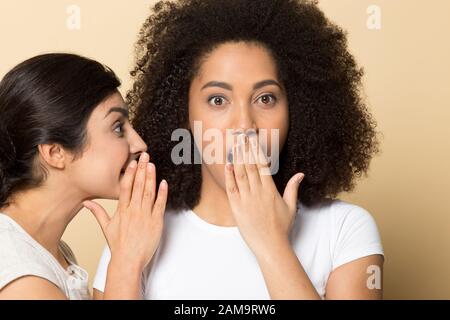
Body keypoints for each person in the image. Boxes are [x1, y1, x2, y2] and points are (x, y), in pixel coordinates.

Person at [94, 0, 384, 299]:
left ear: (297, 109)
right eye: (218, 100)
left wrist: (271, 243)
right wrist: (127, 263)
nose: (245, 126)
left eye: (265, 99)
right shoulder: (136, 232)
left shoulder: (344, 229)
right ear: (183, 114)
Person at [0, 53, 168, 299]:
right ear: (56, 153)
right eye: (118, 127)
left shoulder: (51, 253)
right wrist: (126, 263)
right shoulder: (19, 275)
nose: (139, 144)